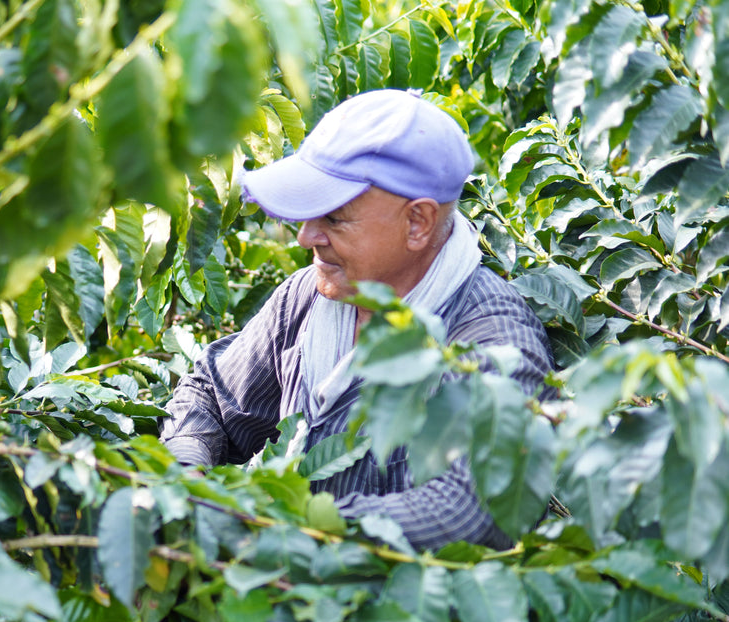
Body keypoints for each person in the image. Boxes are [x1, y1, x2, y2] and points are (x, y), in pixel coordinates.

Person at [159, 88, 553, 550]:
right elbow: (210, 391)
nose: (306, 236)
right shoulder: (308, 299)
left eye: (334, 219)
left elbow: (474, 510)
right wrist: (187, 472)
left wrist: (286, 525)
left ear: (418, 223)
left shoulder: (495, 344)